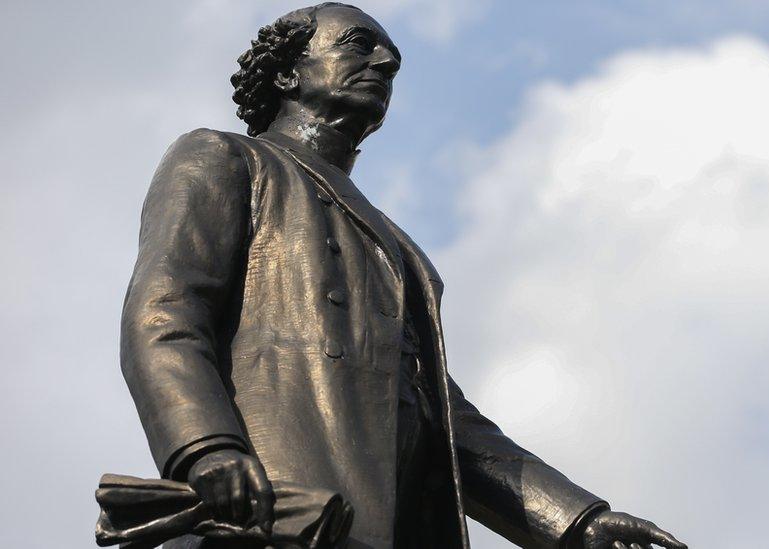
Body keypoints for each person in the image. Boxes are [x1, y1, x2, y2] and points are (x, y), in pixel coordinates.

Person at [121, 3, 688, 548]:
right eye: (358, 44)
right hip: (272, 516)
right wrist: (207, 448)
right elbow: (166, 313)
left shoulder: (401, 250)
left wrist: (575, 521)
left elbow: (445, 420)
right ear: (290, 74)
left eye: (391, 55)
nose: (386, 63)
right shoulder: (225, 158)